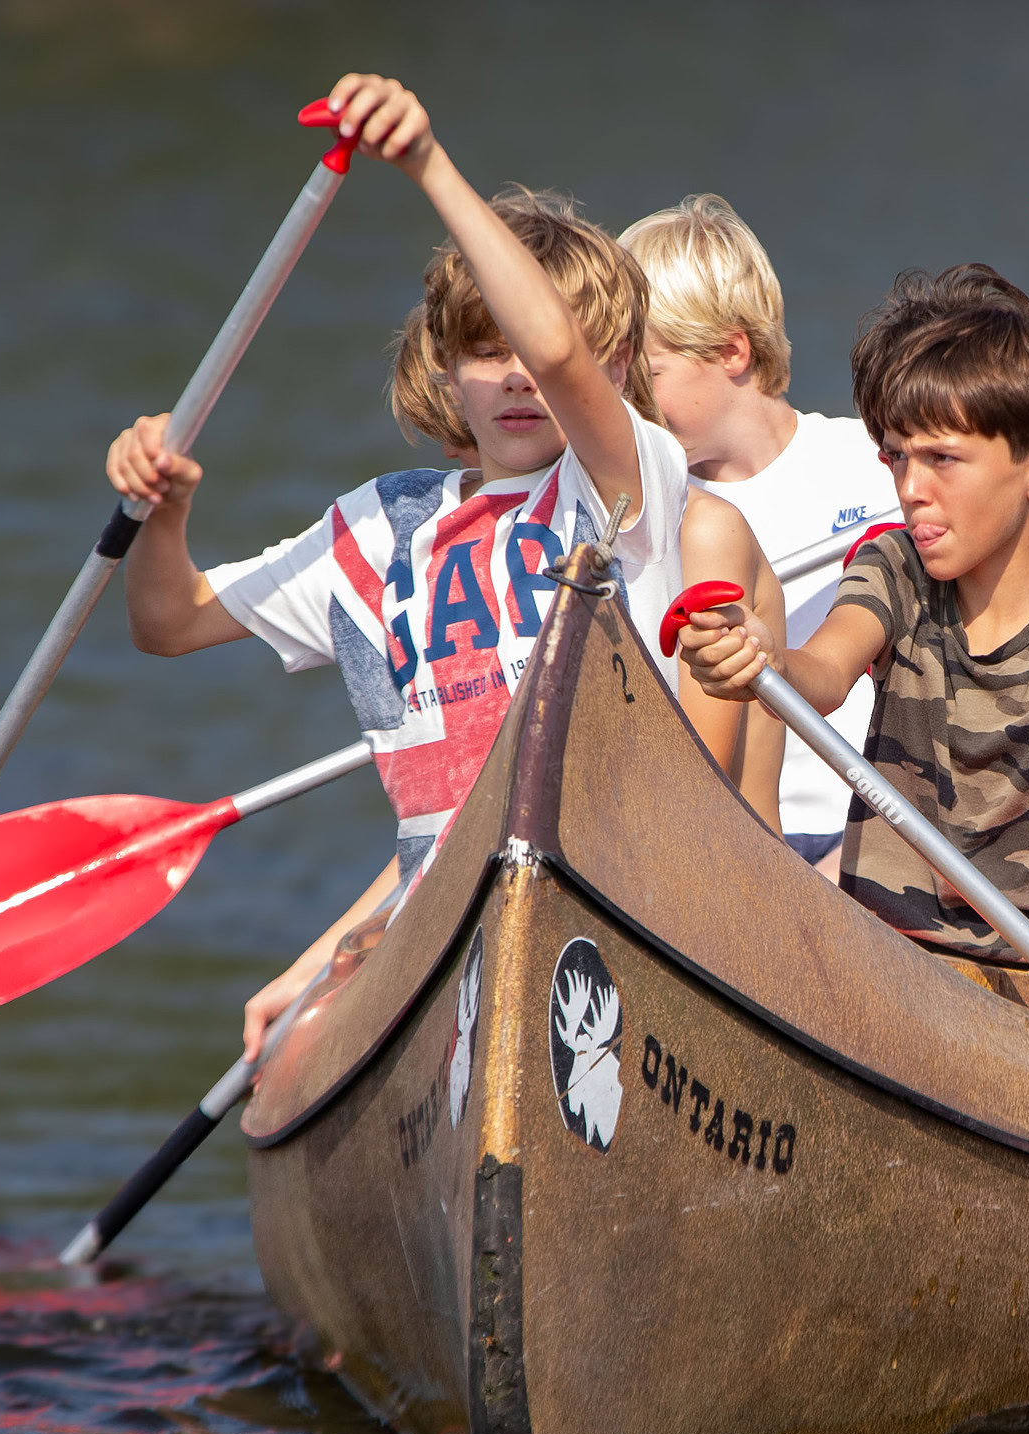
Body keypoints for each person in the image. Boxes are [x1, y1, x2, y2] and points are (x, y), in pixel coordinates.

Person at [102, 73, 785, 1053]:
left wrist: (424, 162)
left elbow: (556, 355)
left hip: (620, 905)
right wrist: (161, 515)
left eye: (533, 350)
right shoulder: (380, 529)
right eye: (479, 349)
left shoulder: (626, 485)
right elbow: (167, 624)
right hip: (447, 929)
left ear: (619, 367)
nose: (512, 371)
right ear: (443, 368)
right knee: (292, 1045)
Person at [672, 266, 1029, 1036]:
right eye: (898, 458)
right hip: (906, 981)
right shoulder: (895, 569)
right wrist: (760, 657)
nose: (911, 487)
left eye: (942, 460)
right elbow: (825, 673)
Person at [620, 194, 900, 872]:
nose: (626, 406)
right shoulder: (641, 516)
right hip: (734, 840)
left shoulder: (881, 464)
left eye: (645, 376)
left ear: (732, 352)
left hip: (881, 827)